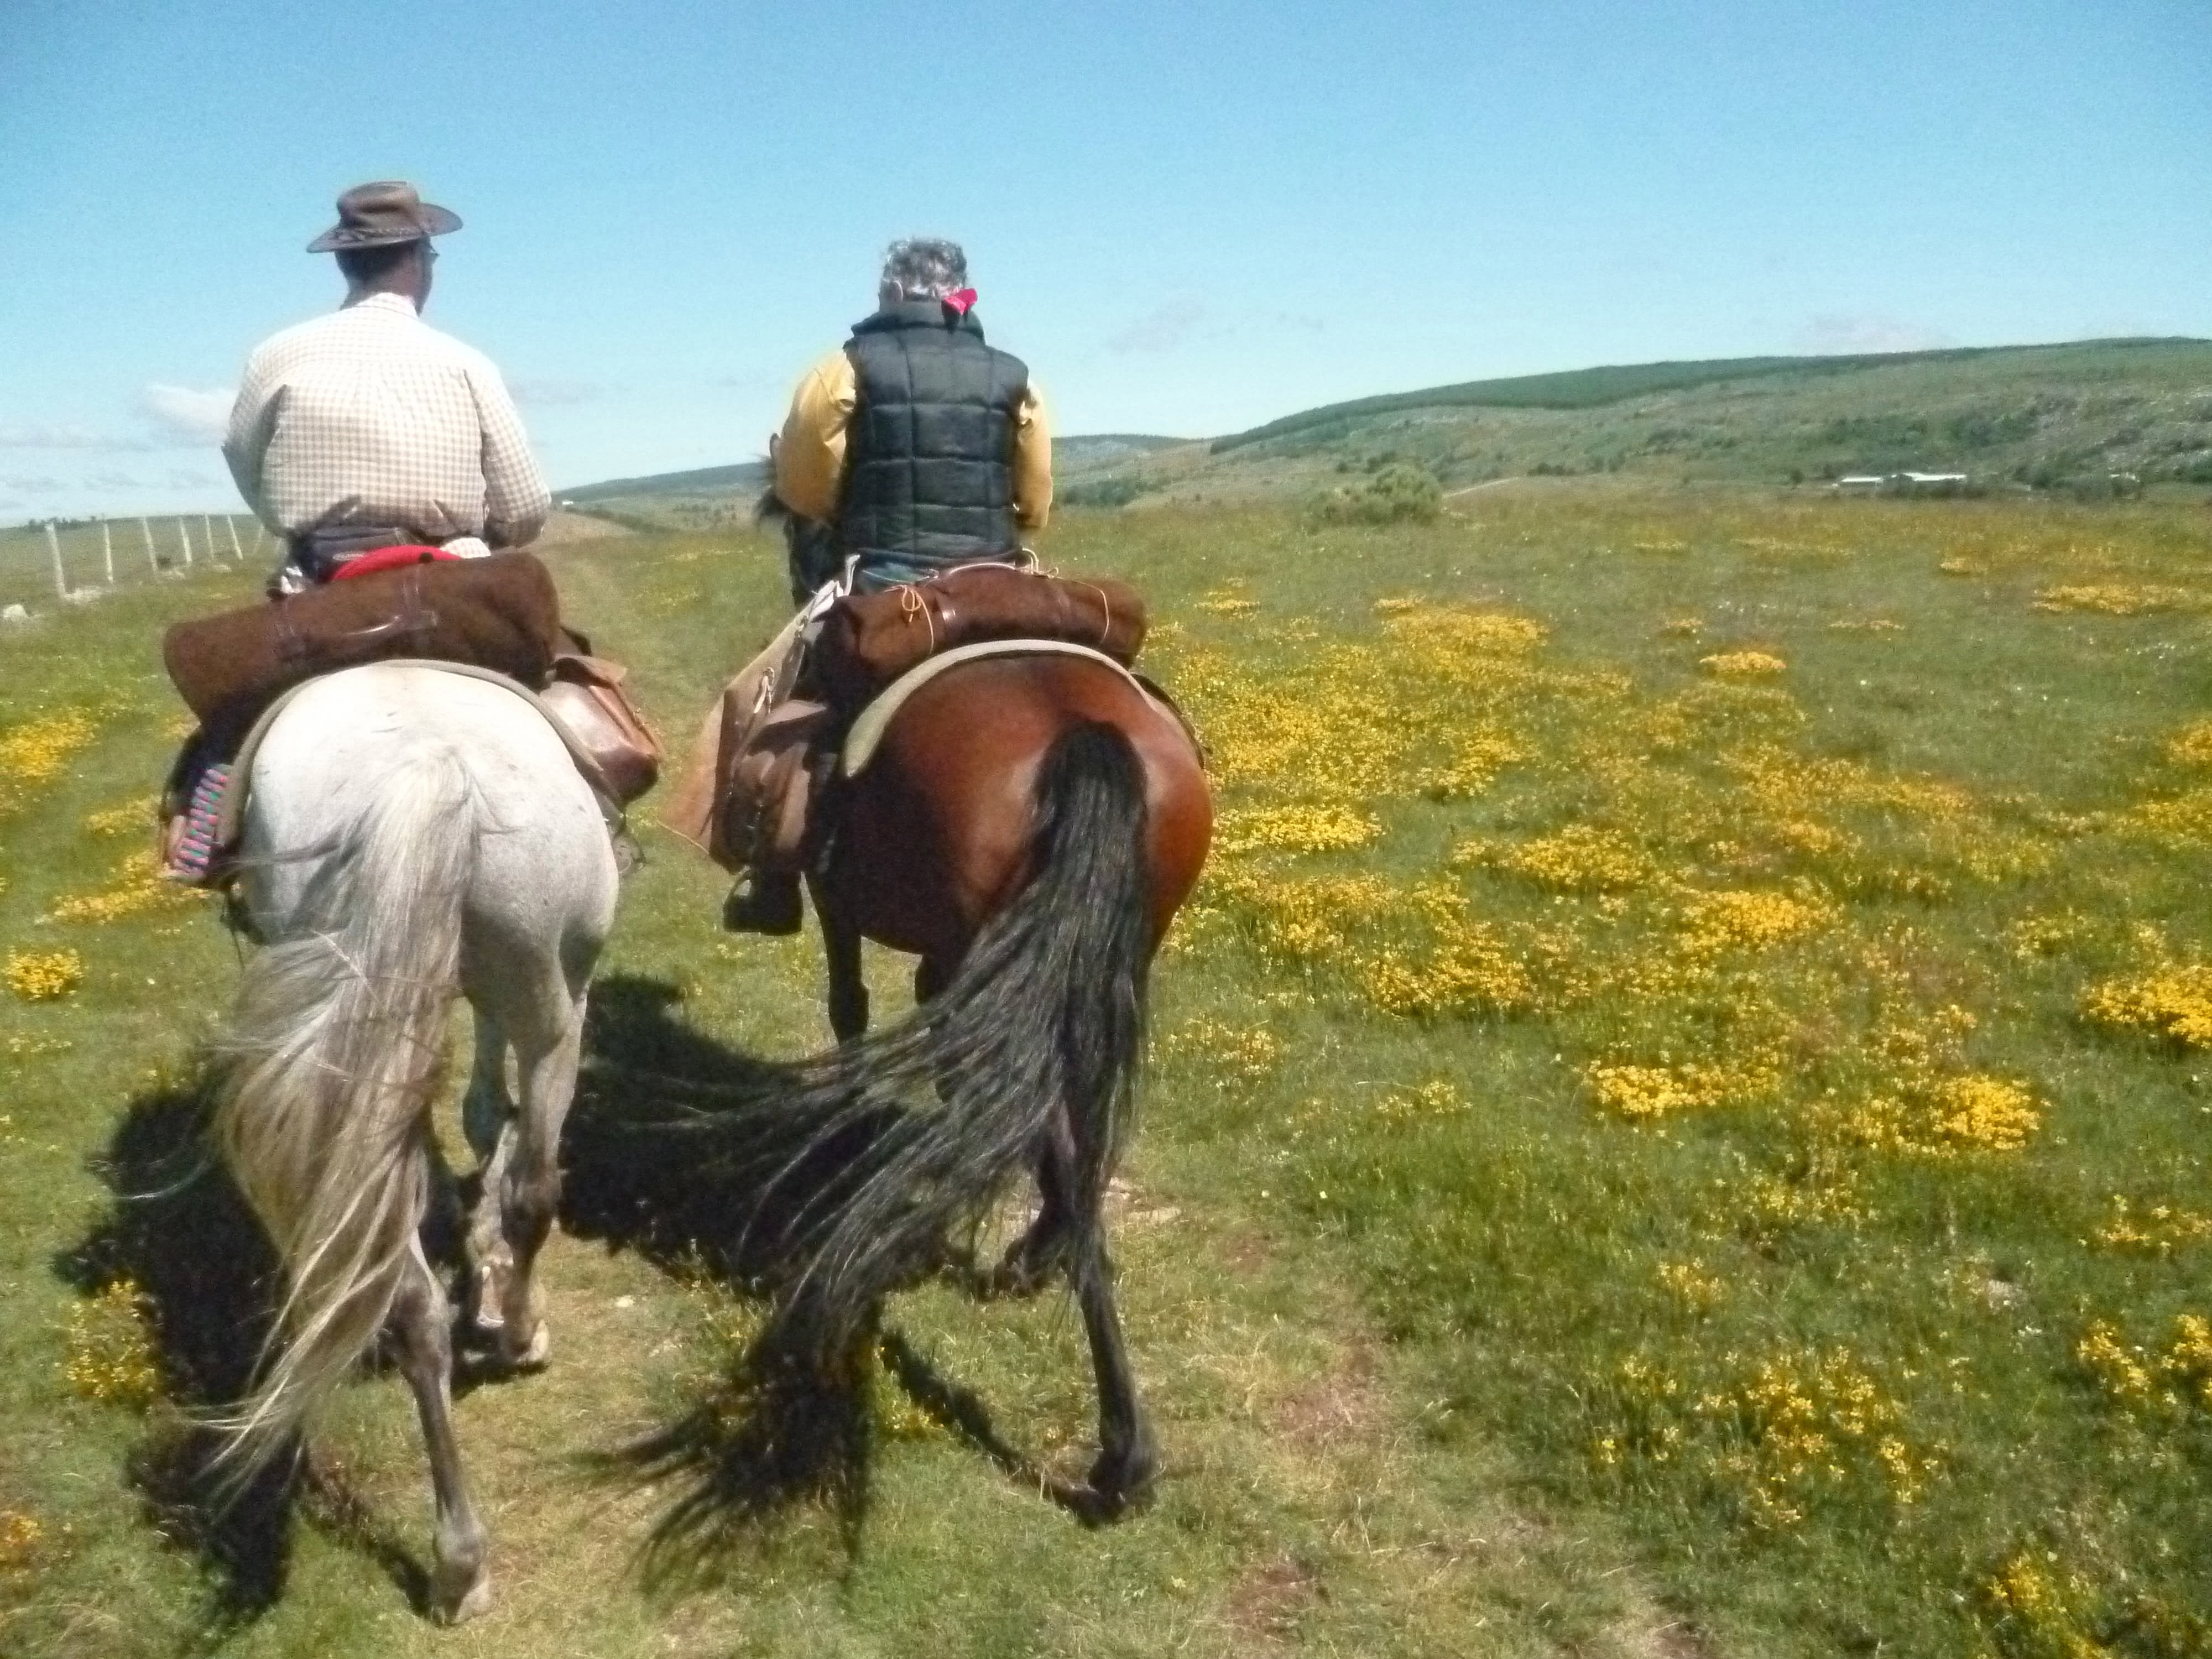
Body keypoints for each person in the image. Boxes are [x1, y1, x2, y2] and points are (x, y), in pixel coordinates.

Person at [684, 238, 1056, 933]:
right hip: (1000, 579)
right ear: (961, 294)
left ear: (890, 295)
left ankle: (772, 878)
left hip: (887, 581)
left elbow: (802, 489)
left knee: (780, 702)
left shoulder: (841, 371)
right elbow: (1034, 502)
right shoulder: (1017, 376)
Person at [223, 180, 550, 594]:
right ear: (419, 259)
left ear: (343, 262)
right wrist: (490, 535)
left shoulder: (273, 356)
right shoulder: (466, 363)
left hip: (316, 580)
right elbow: (524, 508)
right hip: (448, 579)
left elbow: (242, 457)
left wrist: (300, 520)